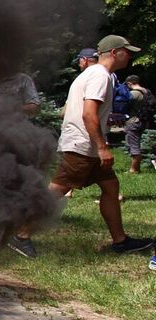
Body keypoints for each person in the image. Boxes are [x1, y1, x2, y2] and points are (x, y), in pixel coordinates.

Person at [10, 35, 155, 257]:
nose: (131, 55)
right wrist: (102, 147)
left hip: (85, 143)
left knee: (110, 187)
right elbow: (89, 114)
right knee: (57, 190)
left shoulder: (94, 74)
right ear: (114, 53)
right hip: (83, 144)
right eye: (127, 51)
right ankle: (20, 234)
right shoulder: (100, 75)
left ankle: (120, 241)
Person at [125, 75, 151, 173]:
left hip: (133, 121)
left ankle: (133, 170)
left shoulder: (134, 93)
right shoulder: (146, 91)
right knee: (136, 144)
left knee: (133, 146)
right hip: (143, 121)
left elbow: (124, 104)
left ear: (129, 83)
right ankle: (137, 168)